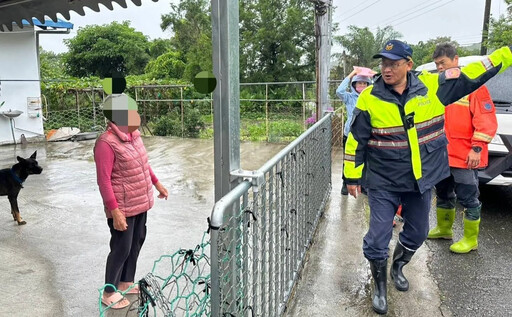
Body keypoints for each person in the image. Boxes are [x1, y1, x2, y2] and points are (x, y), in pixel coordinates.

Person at [344, 40, 512, 314]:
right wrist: (351, 177)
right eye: (383, 63)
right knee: (377, 237)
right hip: (382, 180)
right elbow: (356, 141)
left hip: (419, 180)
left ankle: (398, 265)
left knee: (419, 232)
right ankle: (380, 285)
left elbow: (474, 73)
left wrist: (507, 53)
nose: (386, 69)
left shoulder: (434, 86)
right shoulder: (369, 97)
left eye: (393, 64)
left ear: (408, 65)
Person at [95, 77, 169, 309]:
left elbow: (143, 164)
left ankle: (126, 282)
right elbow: (104, 181)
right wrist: (115, 211)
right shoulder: (106, 143)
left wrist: (157, 184)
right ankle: (109, 291)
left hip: (140, 202)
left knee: (137, 242)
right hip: (123, 207)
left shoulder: (134, 137)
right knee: (121, 248)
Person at [427, 43, 497, 253]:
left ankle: (470, 239)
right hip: (442, 154)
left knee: (468, 197)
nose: (440, 67)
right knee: (443, 192)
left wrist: (477, 148)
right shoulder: (438, 87)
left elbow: (486, 120)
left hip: (465, 156)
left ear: (455, 60)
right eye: (437, 64)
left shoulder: (473, 85)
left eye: (443, 62)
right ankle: (444, 229)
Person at [336, 67, 373, 195]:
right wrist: (352, 74)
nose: (362, 85)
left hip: (365, 135)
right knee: (348, 160)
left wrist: (373, 76)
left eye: (364, 83)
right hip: (350, 134)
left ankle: (362, 184)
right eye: (359, 83)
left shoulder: (371, 97)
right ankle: (345, 183)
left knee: (365, 160)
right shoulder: (350, 97)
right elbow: (339, 91)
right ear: (354, 84)